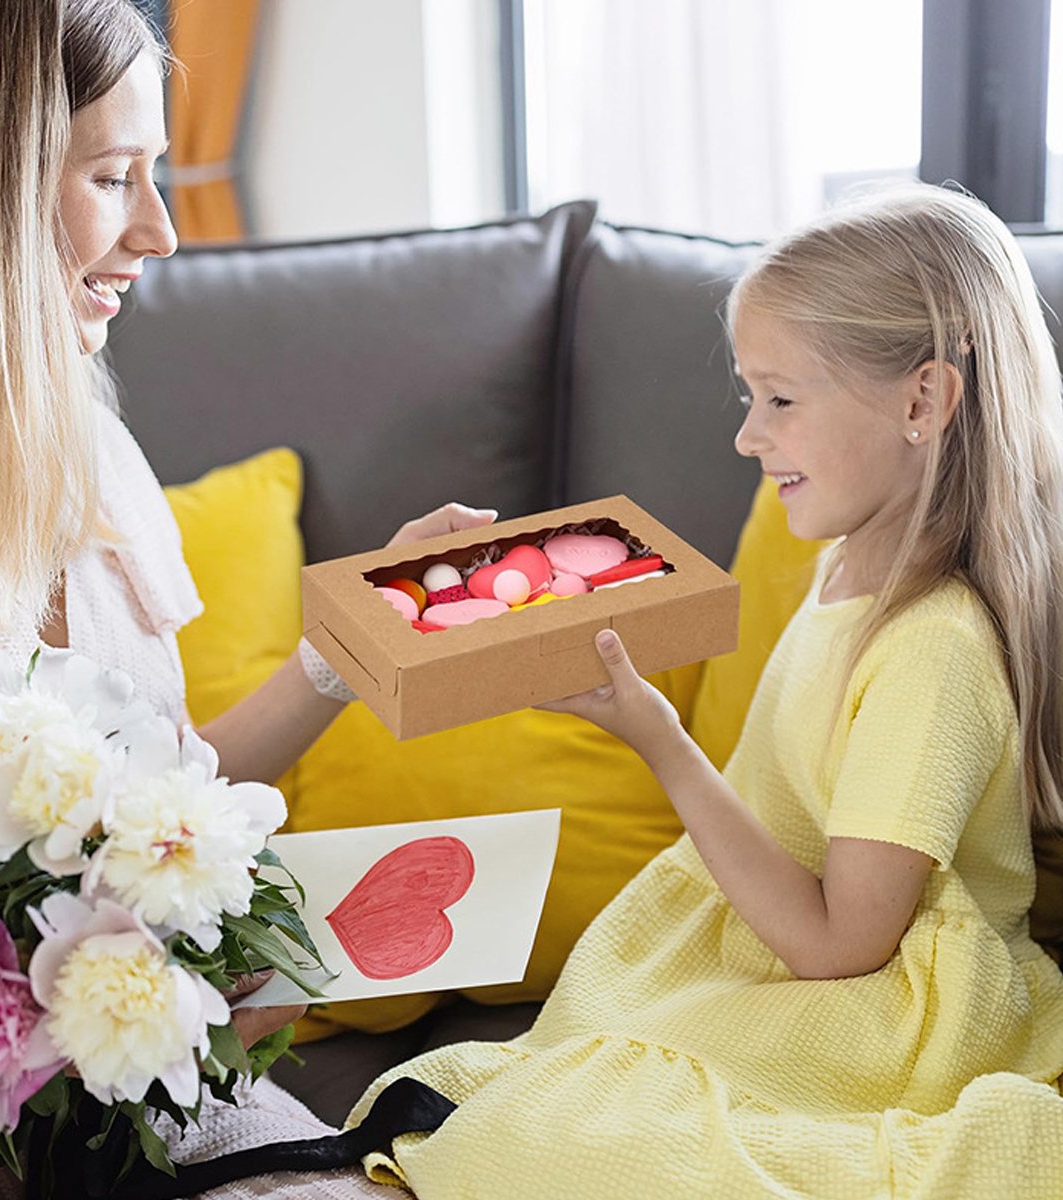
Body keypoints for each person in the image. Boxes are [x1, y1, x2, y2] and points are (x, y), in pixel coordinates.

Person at [0, 1, 492, 1196]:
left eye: (156, 176)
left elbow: (174, 789)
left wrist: (345, 648)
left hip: (154, 1103)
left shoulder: (97, 459)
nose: (159, 230)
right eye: (113, 179)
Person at [345, 185, 1063, 1198]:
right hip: (766, 957)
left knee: (554, 1145)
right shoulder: (845, 572)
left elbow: (840, 945)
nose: (746, 437)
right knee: (465, 1108)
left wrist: (660, 738)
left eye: (780, 399)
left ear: (922, 402)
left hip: (882, 1008)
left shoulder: (935, 649)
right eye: (747, 396)